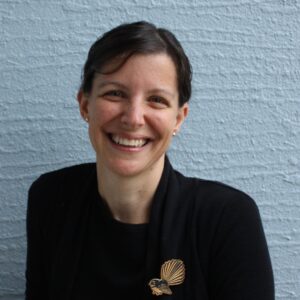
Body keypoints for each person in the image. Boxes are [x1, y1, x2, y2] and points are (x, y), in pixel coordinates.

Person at [25, 21, 274, 300]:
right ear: (85, 105)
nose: (133, 118)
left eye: (156, 99)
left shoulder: (226, 219)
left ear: (178, 118)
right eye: (115, 93)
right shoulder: (51, 199)